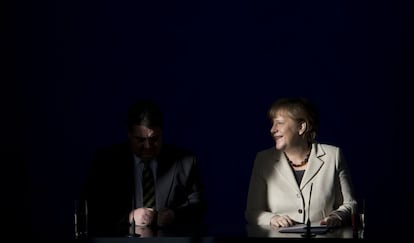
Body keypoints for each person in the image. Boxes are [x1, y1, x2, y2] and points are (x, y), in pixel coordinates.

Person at [82, 99, 207, 237]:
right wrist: (129, 217)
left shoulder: (185, 162)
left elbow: (199, 207)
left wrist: (174, 215)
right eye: (140, 140)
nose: (148, 147)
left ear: (162, 132)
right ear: (129, 135)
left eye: (154, 139)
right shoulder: (106, 162)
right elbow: (92, 208)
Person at [245, 97, 355, 229]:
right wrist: (272, 218)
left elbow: (350, 204)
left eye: (279, 123)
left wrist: (337, 216)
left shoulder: (333, 156)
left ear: (301, 127)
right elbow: (252, 212)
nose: (272, 130)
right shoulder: (263, 160)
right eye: (272, 123)